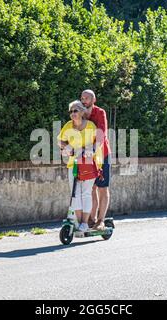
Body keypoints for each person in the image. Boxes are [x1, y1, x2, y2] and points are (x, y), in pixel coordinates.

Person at [57, 100, 103, 232]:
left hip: (89, 163)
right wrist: (66, 147)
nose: (72, 113)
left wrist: (92, 149)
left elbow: (98, 140)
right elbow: (59, 140)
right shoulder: (68, 126)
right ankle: (78, 222)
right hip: (74, 163)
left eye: (75, 110)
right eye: (71, 111)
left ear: (82, 112)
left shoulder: (90, 126)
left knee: (86, 193)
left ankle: (85, 223)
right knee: (75, 193)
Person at [81, 90, 111, 231]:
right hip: (86, 156)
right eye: (82, 98)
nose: (84, 100)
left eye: (87, 98)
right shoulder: (80, 112)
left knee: (102, 187)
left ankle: (101, 220)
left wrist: (94, 148)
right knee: (91, 188)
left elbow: (102, 132)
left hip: (102, 154)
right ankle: (91, 219)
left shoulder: (100, 113)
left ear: (94, 99)